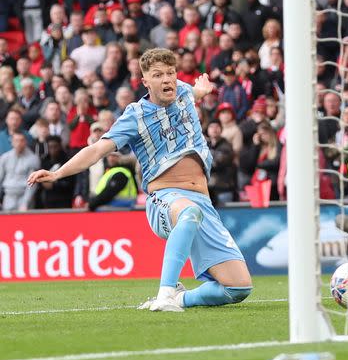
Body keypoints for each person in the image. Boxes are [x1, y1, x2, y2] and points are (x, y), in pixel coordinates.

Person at [28, 48, 251, 312]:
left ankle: (180, 298)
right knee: (189, 213)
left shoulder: (182, 92)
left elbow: (193, 93)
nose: (167, 79)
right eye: (158, 75)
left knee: (237, 287)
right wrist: (57, 172)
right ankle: (165, 294)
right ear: (145, 81)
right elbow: (97, 149)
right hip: (164, 198)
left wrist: (201, 90)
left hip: (203, 202)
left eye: (170, 73)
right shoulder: (135, 115)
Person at [0, 132, 40, 211]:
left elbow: (33, 183)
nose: (19, 143)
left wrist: (25, 202)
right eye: (16, 140)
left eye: (21, 140)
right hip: (8, 196)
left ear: (25, 142)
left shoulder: (33, 158)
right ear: (11, 142)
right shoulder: (5, 157)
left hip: (24, 196)